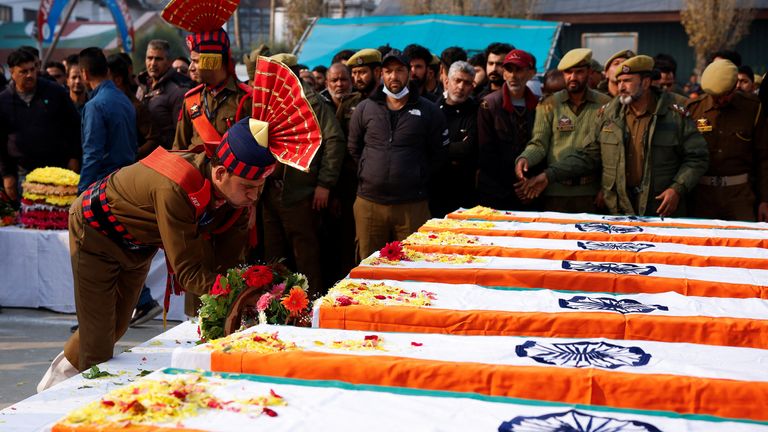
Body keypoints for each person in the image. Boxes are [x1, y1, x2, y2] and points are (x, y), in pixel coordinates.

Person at [36, 116, 287, 392]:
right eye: (249, 188)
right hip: (95, 232)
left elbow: (227, 265)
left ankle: (58, 380)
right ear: (219, 174)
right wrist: (237, 291)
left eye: (260, 188)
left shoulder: (236, 198)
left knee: (116, 327)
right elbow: (190, 272)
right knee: (98, 343)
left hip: (138, 243)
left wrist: (246, 288)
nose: (254, 197)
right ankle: (56, 398)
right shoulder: (177, 187)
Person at [520, 55, 709, 217]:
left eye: (627, 81)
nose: (621, 87)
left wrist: (677, 188)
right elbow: (588, 155)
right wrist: (548, 175)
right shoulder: (609, 114)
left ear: (645, 82)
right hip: (620, 209)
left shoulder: (674, 115)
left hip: (660, 208)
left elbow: (697, 157)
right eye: (619, 82)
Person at [348, 49, 448, 259]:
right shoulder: (365, 109)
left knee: (415, 264)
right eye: (388, 71)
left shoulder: (429, 111)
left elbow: (438, 153)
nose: (394, 76)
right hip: (370, 204)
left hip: (412, 205)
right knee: (368, 266)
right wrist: (370, 172)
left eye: (399, 70)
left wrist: (416, 176)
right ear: (381, 74)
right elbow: (354, 148)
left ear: (408, 73)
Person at [261, 53, 346, 298]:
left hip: (300, 192)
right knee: (274, 259)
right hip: (270, 191)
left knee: (306, 256)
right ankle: (274, 308)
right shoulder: (269, 101)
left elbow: (334, 140)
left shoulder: (312, 102)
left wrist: (325, 184)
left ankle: (311, 307)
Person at [515, 48, 611, 214]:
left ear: (589, 72)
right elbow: (539, 143)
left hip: (590, 193)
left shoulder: (605, 104)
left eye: (579, 72)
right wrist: (525, 158)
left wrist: (606, 188)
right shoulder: (549, 104)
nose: (573, 77)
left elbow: (609, 154)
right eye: (568, 72)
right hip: (555, 191)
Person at [686, 59, 768, 222]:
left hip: (740, 196)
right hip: (702, 197)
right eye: (715, 97)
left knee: (744, 242)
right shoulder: (694, 109)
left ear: (734, 87)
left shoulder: (753, 108)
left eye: (725, 95)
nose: (720, 101)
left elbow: (764, 158)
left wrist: (765, 200)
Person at [0, 48, 81, 201]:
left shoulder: (55, 92)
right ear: (12, 72)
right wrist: (7, 175)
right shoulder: (3, 101)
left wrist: (74, 157)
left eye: (32, 69)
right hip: (23, 172)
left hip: (59, 171)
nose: (30, 75)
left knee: (57, 219)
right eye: (24, 71)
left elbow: (74, 126)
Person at [476, 49, 539, 211]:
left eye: (519, 70)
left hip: (532, 190)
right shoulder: (489, 105)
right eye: (509, 70)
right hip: (496, 192)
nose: (513, 75)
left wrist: (529, 183)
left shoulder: (541, 106)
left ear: (531, 73)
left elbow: (543, 145)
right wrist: (516, 185)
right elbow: (486, 152)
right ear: (503, 73)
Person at [173, 33, 251, 153]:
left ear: (213, 61)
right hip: (195, 170)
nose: (190, 68)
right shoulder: (191, 99)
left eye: (196, 61)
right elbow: (178, 149)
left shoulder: (246, 99)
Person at [76, 48, 137, 194]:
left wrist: (82, 191)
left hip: (105, 185)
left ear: (84, 73)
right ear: (107, 70)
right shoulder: (124, 99)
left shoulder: (95, 106)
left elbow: (93, 153)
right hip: (128, 180)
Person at [431, 61, 478, 217]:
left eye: (466, 82)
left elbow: (469, 148)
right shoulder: (432, 110)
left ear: (472, 86)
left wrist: (438, 148)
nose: (461, 87)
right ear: (446, 82)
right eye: (457, 80)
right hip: (435, 188)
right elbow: (425, 146)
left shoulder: (476, 112)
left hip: (464, 190)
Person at [137, 39, 191, 150]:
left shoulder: (179, 91)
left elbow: (182, 134)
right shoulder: (142, 85)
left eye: (158, 59)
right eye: (149, 58)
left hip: (165, 155)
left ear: (169, 62)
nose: (153, 63)